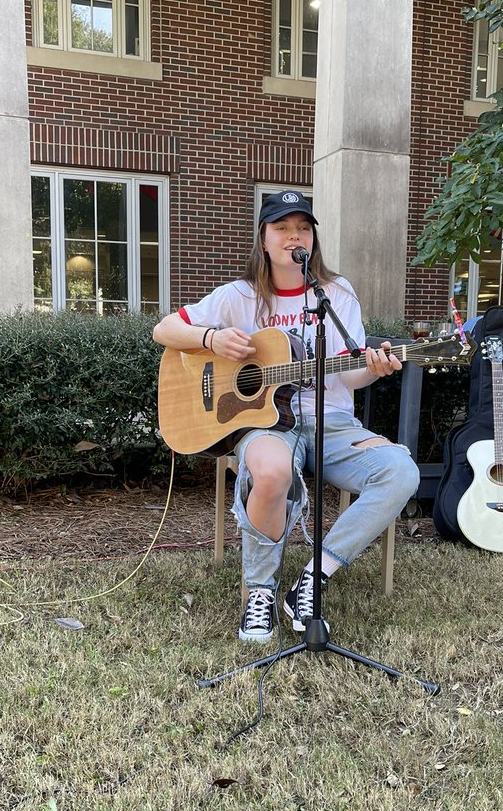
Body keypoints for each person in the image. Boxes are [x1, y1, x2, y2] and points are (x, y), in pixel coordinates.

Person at [152, 190, 420, 643]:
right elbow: (164, 329)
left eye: (303, 228)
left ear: (312, 239)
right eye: (282, 227)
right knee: (272, 472)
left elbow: (350, 375)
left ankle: (314, 578)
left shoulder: (335, 293)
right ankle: (260, 590)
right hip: (264, 423)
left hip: (332, 423)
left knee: (400, 471)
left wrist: (374, 370)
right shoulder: (237, 296)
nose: (294, 236)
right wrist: (212, 339)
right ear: (264, 237)